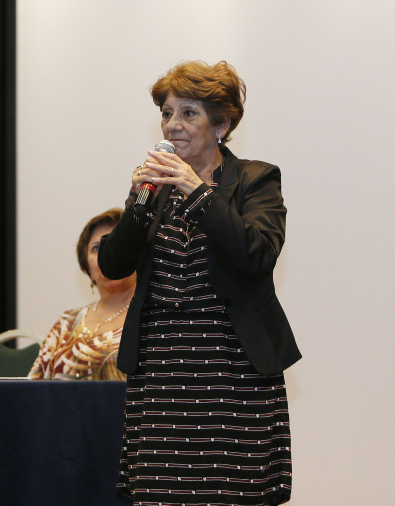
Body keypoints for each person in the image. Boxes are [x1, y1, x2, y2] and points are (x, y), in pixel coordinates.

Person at [98, 60, 300, 505]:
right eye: (167, 113)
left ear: (222, 123)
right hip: (162, 373)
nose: (173, 126)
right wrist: (137, 204)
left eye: (189, 113)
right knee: (159, 492)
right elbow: (112, 266)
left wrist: (198, 192)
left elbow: (257, 253)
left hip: (233, 373)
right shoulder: (156, 187)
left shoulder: (256, 180)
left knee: (232, 491)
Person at [29, 208, 136, 380]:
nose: (109, 253)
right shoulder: (66, 324)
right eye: (96, 248)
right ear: (86, 265)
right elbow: (33, 389)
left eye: (118, 242)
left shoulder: (154, 320)